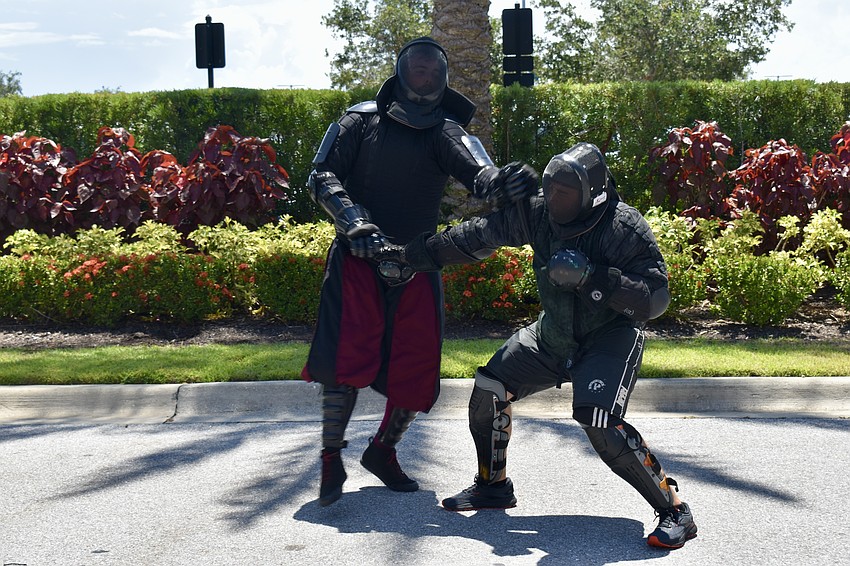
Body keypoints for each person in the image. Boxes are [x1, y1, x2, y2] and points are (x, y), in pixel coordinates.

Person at [388, 142, 698, 549]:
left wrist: (591, 277)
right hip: (552, 337)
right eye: (551, 189)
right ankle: (493, 487)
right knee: (489, 389)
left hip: (611, 337)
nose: (553, 200)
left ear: (592, 195)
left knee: (599, 420)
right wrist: (410, 256)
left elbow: (656, 298)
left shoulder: (624, 227)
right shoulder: (538, 214)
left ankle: (676, 511)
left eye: (563, 193)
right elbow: (477, 236)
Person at [302, 36, 538, 507]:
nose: (425, 77)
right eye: (418, 69)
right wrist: (353, 221)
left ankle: (383, 451)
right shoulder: (359, 120)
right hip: (357, 257)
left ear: (444, 79)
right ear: (400, 71)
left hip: (417, 260)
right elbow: (321, 175)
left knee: (418, 364)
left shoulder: (446, 131)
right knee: (344, 358)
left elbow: (481, 177)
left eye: (434, 71)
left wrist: (508, 180)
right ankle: (331, 457)